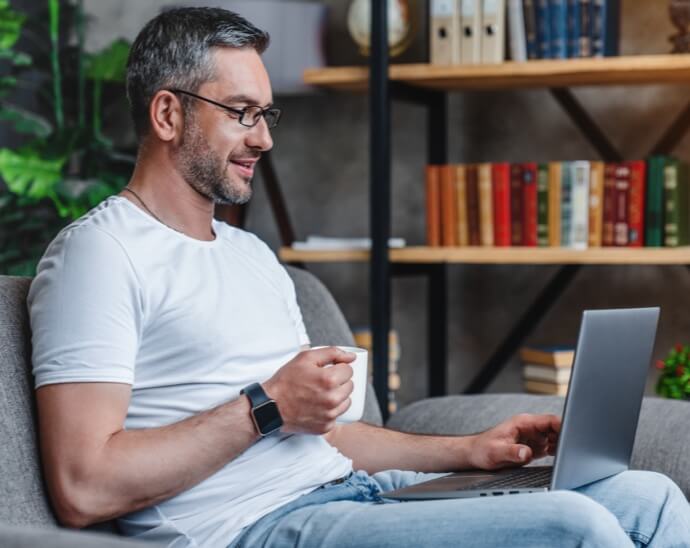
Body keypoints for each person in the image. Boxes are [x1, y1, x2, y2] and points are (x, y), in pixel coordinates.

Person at [27, 7, 690, 548]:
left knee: (651, 498)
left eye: (266, 114)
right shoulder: (100, 254)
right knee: (575, 529)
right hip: (253, 529)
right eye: (241, 112)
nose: (265, 139)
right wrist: (266, 407)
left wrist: (470, 449)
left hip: (352, 496)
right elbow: (85, 487)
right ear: (168, 114)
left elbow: (328, 437)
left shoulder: (251, 255)